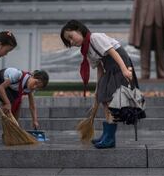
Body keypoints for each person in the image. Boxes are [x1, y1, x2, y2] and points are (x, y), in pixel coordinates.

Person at [60, 19, 141, 149]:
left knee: (110, 102)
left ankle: (109, 139)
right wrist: (99, 88)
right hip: (109, 69)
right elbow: (99, 68)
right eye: (68, 41)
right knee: (103, 100)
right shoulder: (86, 50)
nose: (71, 41)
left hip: (119, 65)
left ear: (79, 30)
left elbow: (113, 52)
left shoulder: (95, 38)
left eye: (71, 36)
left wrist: (124, 70)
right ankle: (107, 135)